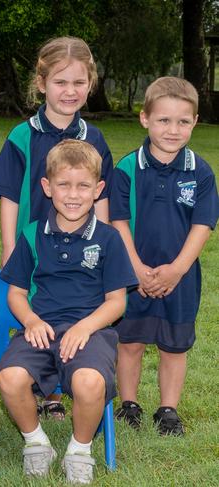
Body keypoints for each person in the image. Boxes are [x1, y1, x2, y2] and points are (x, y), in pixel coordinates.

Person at [0, 36, 114, 419]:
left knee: (75, 309)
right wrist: (10, 248)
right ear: (41, 83)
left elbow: (102, 199)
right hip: (35, 248)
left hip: (82, 249)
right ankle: (41, 385)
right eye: (60, 82)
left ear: (89, 84)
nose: (69, 91)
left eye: (78, 82)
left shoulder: (94, 137)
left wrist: (103, 248)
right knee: (38, 310)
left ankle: (57, 396)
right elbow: (8, 196)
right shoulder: (21, 136)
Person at [0, 139, 136, 484]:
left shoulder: (108, 239)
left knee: (90, 383)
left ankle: (79, 449)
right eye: (64, 185)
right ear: (47, 187)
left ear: (98, 189)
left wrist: (85, 327)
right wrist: (30, 320)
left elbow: (117, 302)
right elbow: (15, 294)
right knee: (9, 378)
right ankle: (37, 443)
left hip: (92, 331)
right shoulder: (31, 235)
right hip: (40, 329)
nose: (73, 195)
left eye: (83, 186)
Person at [110, 77, 219, 436]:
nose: (173, 130)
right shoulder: (127, 169)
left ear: (195, 122)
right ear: (145, 119)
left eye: (183, 121)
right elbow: (118, 222)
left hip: (181, 278)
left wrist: (176, 270)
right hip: (132, 275)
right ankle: (129, 404)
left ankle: (168, 408)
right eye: (163, 120)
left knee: (175, 346)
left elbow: (202, 226)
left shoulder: (201, 172)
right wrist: (136, 270)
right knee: (130, 341)